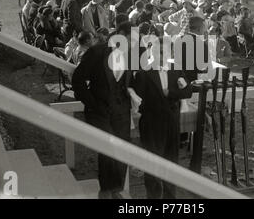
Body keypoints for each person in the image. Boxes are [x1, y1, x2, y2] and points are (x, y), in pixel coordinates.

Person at [72, 22, 134, 199]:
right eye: (130, 39)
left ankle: (116, 189)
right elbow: (78, 80)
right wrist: (92, 103)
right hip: (100, 110)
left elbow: (128, 81)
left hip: (122, 110)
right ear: (120, 34)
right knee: (108, 149)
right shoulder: (96, 52)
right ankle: (105, 191)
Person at [133, 37, 193, 199]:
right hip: (152, 124)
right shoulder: (143, 73)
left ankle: (169, 198)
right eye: (158, 51)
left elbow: (188, 91)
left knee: (171, 162)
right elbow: (139, 100)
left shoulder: (175, 69)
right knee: (152, 164)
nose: (162, 55)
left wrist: (171, 93)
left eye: (165, 51)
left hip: (172, 124)